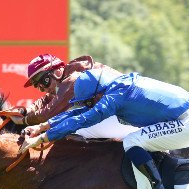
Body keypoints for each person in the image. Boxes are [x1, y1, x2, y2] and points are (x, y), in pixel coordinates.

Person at [17, 69, 189, 189]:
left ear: (97, 94)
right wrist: (42, 126)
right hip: (188, 117)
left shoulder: (116, 96)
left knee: (132, 141)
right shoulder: (113, 87)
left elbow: (84, 118)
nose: (89, 105)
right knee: (135, 139)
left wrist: (42, 138)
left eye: (89, 101)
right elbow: (81, 112)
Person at [8, 53, 137, 139]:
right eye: (38, 86)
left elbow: (48, 114)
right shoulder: (70, 74)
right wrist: (27, 110)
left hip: (128, 116)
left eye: (44, 81)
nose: (43, 88)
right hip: (123, 111)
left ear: (57, 71)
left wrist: (23, 121)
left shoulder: (72, 79)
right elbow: (48, 98)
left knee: (70, 130)